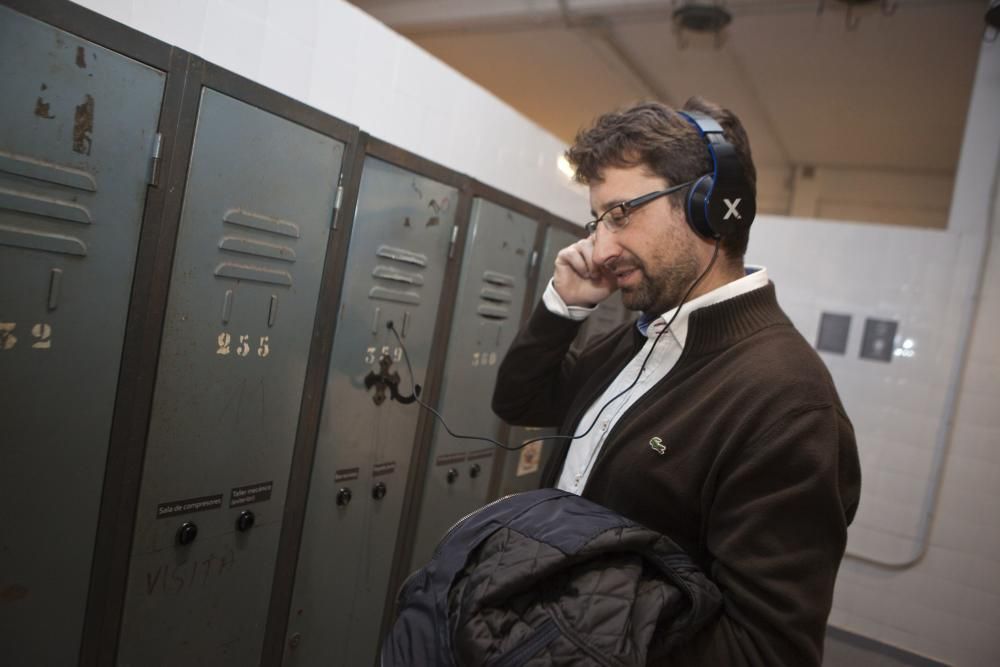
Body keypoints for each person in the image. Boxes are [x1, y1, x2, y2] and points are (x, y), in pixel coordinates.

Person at [492, 97, 861, 666]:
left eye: (621, 213)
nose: (601, 247)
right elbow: (518, 399)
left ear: (708, 206)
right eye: (598, 221)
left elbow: (764, 652)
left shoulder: (787, 403)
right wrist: (562, 307)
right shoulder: (641, 337)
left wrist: (579, 629)